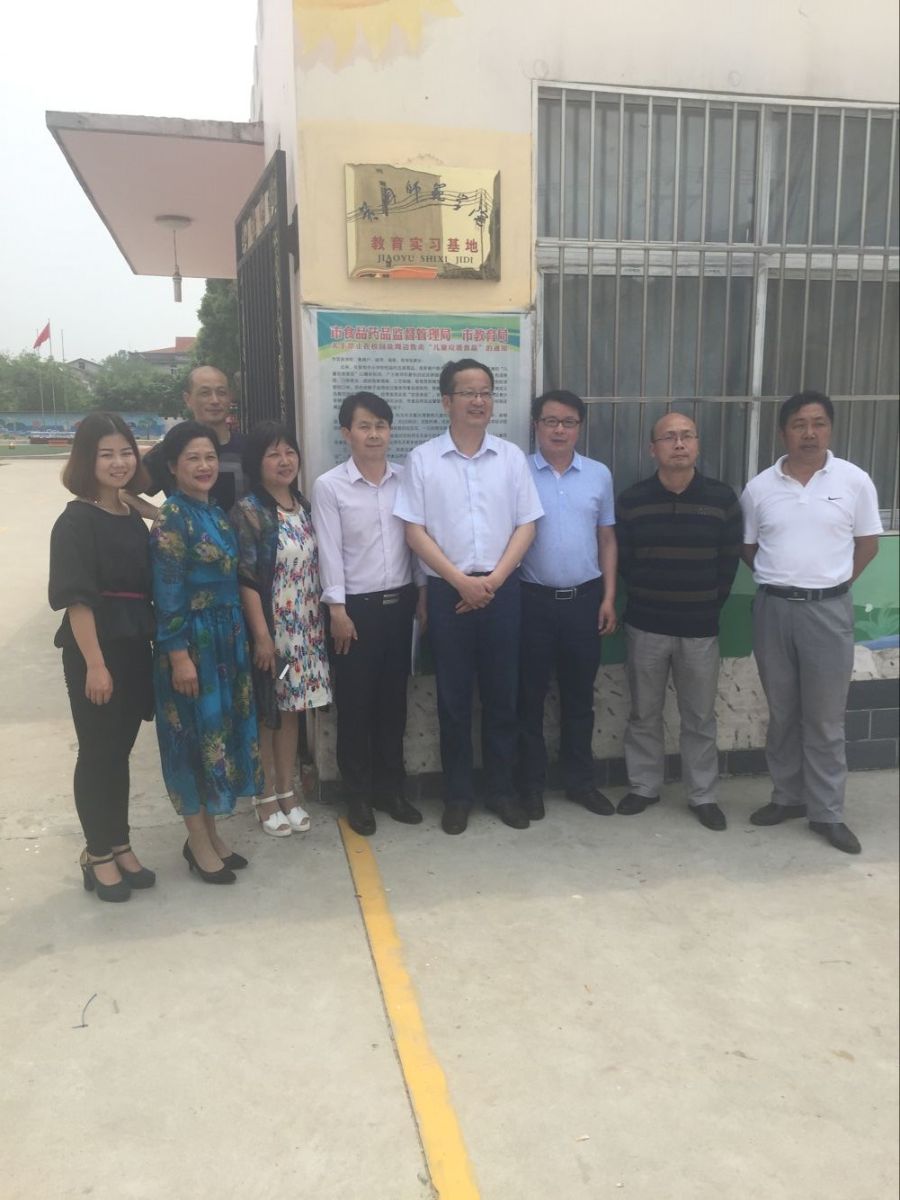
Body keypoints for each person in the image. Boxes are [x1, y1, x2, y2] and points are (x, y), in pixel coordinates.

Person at [394, 359, 543, 834]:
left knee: (503, 696)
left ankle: (501, 791)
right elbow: (414, 531)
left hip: (503, 589)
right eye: (468, 393)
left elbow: (527, 525)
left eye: (486, 392)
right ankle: (457, 796)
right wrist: (461, 581)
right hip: (448, 592)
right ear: (447, 402)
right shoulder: (423, 460)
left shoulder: (511, 457)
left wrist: (492, 582)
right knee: (453, 700)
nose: (479, 401)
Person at [741, 391, 881, 855]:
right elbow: (748, 547)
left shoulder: (854, 481)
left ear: (830, 429)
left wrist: (832, 585)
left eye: (818, 423)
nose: (809, 433)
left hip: (828, 611)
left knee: (824, 718)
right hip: (774, 610)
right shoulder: (759, 488)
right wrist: (783, 579)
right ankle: (787, 797)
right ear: (783, 432)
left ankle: (828, 813)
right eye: (799, 424)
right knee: (782, 712)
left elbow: (868, 544)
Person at [615, 412, 742, 830]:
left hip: (699, 628)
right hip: (645, 625)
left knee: (699, 717)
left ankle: (703, 795)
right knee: (643, 713)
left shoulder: (722, 499)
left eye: (687, 435)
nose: (679, 444)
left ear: (698, 444)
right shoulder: (633, 500)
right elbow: (625, 562)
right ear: (653, 449)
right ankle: (644, 787)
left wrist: (706, 605)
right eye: (669, 437)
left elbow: (728, 563)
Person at [49, 412, 156, 902]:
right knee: (97, 752)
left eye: (126, 452)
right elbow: (77, 599)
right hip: (96, 649)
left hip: (133, 645)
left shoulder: (130, 515)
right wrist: (95, 664)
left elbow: (161, 523)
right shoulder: (74, 521)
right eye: (106, 454)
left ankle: (119, 842)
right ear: (86, 461)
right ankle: (96, 853)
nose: (118, 462)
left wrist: (141, 505)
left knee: (120, 751)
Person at [150, 420, 261, 883]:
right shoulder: (172, 517)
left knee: (217, 737)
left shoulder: (214, 511)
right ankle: (197, 841)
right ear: (173, 466)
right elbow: (167, 592)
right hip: (192, 644)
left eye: (210, 457)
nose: (203, 465)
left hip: (224, 641)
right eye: (192, 458)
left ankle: (210, 834)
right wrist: (178, 656)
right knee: (192, 742)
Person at [312, 392, 427, 837]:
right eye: (364, 426)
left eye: (381, 425)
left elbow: (416, 541)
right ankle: (357, 796)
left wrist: (422, 592)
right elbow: (329, 551)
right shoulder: (330, 486)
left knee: (393, 705)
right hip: (355, 612)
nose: (374, 434)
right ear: (347, 433)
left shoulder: (406, 480)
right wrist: (337, 610)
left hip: (400, 606)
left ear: (390, 431)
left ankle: (390, 791)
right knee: (356, 707)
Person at [517, 390, 618, 820]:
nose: (559, 430)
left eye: (569, 422)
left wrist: (608, 597)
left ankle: (580, 783)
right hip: (531, 602)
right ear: (536, 425)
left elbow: (606, 537)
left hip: (584, 601)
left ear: (580, 427)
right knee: (528, 699)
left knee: (579, 699)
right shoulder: (518, 471)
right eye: (551, 421)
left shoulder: (598, 474)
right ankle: (530, 786)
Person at [231, 421, 332, 837]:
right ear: (257, 462)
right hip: (274, 635)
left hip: (304, 634)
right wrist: (262, 637)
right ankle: (265, 795)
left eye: (289, 452)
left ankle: (287, 790)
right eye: (273, 454)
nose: (284, 460)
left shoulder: (303, 505)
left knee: (291, 710)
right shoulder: (248, 511)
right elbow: (246, 578)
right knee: (267, 713)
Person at [135, 366, 245, 516]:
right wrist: (164, 517)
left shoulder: (249, 447)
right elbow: (122, 494)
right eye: (205, 393)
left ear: (230, 397)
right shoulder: (171, 449)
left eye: (221, 392)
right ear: (188, 399)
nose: (215, 400)